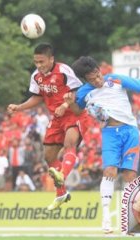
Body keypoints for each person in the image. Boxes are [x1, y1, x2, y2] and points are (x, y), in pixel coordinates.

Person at [64, 56, 140, 234]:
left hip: (130, 132)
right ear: (86, 80)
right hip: (109, 134)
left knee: (130, 175)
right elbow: (78, 110)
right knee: (109, 172)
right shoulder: (84, 92)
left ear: (100, 69)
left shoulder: (116, 79)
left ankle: (129, 221)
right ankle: (106, 219)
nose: (97, 80)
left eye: (98, 75)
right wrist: (69, 104)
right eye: (92, 79)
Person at [7, 43, 90, 210]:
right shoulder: (36, 76)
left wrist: (65, 106)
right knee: (49, 156)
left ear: (51, 59)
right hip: (57, 118)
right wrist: (20, 107)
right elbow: (38, 97)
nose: (39, 65)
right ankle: (61, 193)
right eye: (36, 62)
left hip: (74, 113)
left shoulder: (63, 70)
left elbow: (78, 92)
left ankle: (63, 174)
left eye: (42, 61)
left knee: (69, 144)